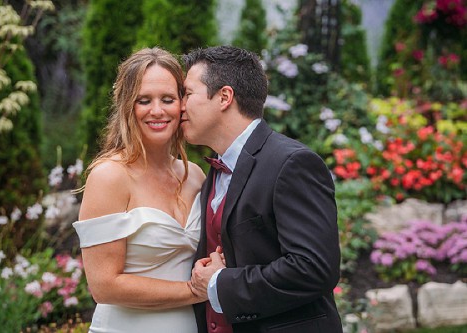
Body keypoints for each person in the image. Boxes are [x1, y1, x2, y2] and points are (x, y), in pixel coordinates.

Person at [181, 45, 343, 333]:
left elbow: (314, 268)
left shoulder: (291, 163)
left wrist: (221, 284)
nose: (180, 106)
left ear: (224, 97)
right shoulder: (214, 169)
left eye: (188, 94)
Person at [72, 47, 208, 333]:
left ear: (182, 104)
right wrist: (196, 291)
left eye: (168, 99)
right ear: (127, 107)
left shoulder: (194, 175)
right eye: (144, 100)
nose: (157, 111)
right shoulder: (109, 176)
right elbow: (104, 286)